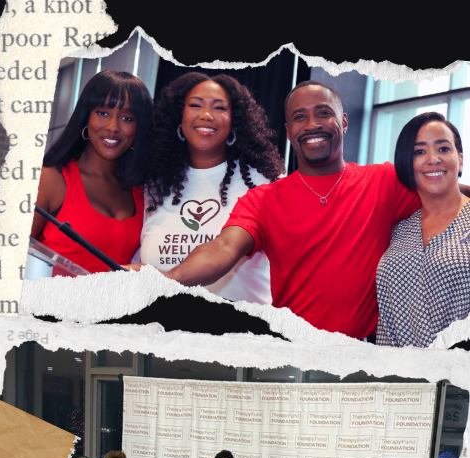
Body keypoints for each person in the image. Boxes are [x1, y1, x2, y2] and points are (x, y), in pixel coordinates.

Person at [158, 82, 438, 341]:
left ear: (343, 121)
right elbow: (223, 248)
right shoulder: (264, 200)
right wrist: (168, 278)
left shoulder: (385, 182)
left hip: (364, 354)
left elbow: (449, 196)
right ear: (289, 131)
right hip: (294, 354)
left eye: (324, 113)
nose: (312, 125)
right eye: (300, 117)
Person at [139, 71, 283, 302]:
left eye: (219, 108)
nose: (206, 115)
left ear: (234, 120)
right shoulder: (152, 187)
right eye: (195, 105)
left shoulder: (266, 183)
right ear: (179, 115)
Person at [33, 70, 152, 272]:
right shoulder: (50, 178)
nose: (113, 127)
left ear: (139, 128)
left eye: (127, 118)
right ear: (86, 117)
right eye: (103, 113)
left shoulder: (143, 192)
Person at [377, 113, 470, 347]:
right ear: (406, 164)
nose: (433, 159)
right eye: (419, 151)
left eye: (443, 149)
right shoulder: (400, 230)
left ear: (460, 160)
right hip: (396, 367)